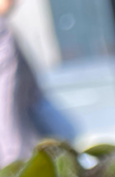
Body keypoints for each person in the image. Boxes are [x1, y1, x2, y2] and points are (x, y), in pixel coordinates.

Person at [0, 0, 74, 166]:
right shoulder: (2, 32)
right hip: (19, 145)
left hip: (33, 118)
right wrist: (14, 157)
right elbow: (6, 105)